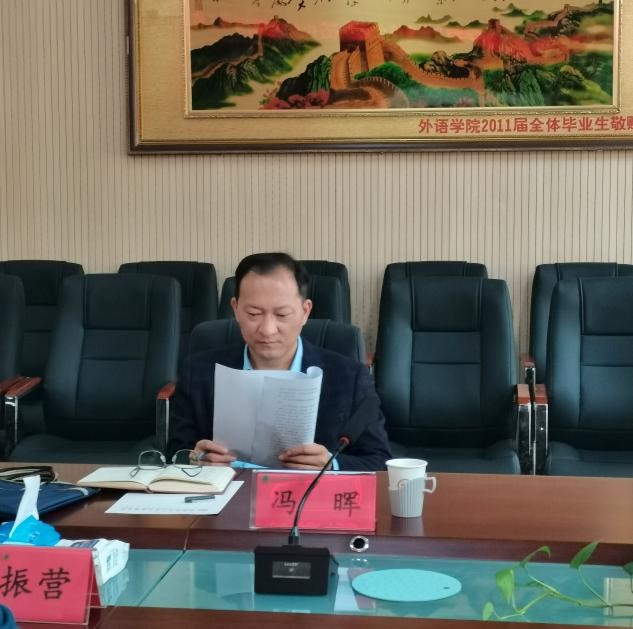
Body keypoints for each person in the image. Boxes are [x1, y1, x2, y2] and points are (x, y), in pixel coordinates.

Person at [167, 252, 391, 471]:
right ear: (235, 309)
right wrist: (195, 459)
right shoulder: (199, 372)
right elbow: (175, 455)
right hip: (228, 491)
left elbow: (379, 461)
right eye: (254, 314)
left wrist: (332, 465)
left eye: (282, 315)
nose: (267, 330)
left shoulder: (349, 377)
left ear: (305, 312)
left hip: (310, 493)